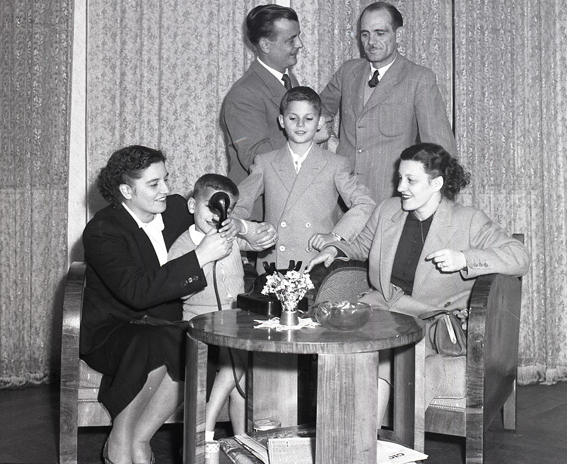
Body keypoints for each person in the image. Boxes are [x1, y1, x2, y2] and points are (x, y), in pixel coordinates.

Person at [307, 142, 529, 422]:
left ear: (436, 183)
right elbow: (362, 245)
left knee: (382, 358)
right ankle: (350, 436)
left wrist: (464, 258)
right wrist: (334, 249)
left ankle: (368, 440)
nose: (400, 187)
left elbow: (519, 257)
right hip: (381, 309)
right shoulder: (388, 210)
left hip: (427, 320)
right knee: (334, 350)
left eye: (411, 180)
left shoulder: (468, 221)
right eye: (400, 178)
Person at [80, 146, 235, 464]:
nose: (166, 189)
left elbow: (217, 212)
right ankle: (121, 438)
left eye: (165, 179)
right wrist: (200, 256)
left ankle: (140, 437)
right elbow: (136, 292)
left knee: (191, 341)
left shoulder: (176, 208)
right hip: (113, 329)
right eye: (154, 184)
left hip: (163, 325)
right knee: (156, 341)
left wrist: (243, 228)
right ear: (127, 191)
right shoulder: (102, 230)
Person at [167, 174, 275, 458]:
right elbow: (181, 291)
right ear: (192, 205)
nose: (217, 216)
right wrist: (204, 256)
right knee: (237, 360)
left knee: (240, 375)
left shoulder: (230, 236)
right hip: (200, 322)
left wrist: (240, 226)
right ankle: (206, 425)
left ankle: (242, 439)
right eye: (210, 207)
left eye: (225, 209)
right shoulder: (182, 246)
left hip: (234, 320)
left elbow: (262, 239)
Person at [320, 2, 457, 204]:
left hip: (391, 199)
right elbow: (317, 111)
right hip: (344, 195)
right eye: (365, 34)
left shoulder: (419, 79)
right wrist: (329, 139)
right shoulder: (348, 71)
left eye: (380, 33)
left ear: (398, 35)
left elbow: (440, 147)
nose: (371, 42)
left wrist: (438, 203)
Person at [233, 86, 376, 270]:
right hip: (273, 264)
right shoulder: (265, 162)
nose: (300, 125)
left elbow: (365, 203)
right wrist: (244, 230)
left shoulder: (335, 164)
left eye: (308, 119)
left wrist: (336, 236)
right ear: (281, 121)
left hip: (315, 262)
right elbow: (237, 205)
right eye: (293, 118)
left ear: (320, 122)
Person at [221, 4, 303, 196]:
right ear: (265, 45)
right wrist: (308, 138)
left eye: (299, 36)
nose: (300, 44)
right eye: (291, 40)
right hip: (261, 205)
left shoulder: (289, 80)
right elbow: (257, 159)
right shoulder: (243, 94)